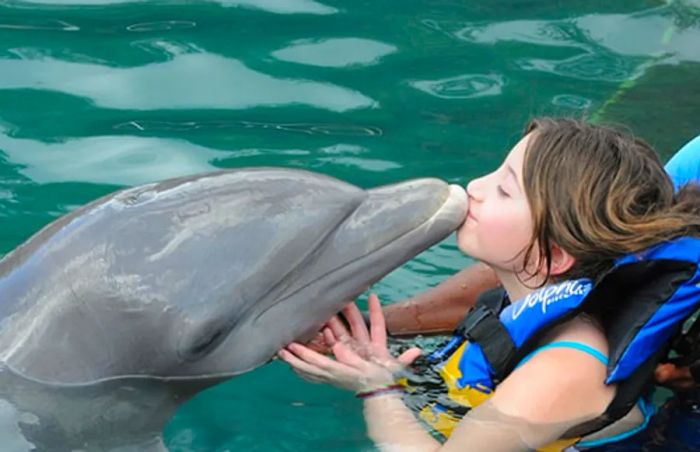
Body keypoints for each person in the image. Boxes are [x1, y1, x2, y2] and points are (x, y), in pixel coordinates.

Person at [279, 118, 700, 451]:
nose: (475, 189)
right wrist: (382, 364)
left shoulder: (563, 369)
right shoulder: (522, 299)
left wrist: (377, 390)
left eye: (503, 190)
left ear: (551, 256)